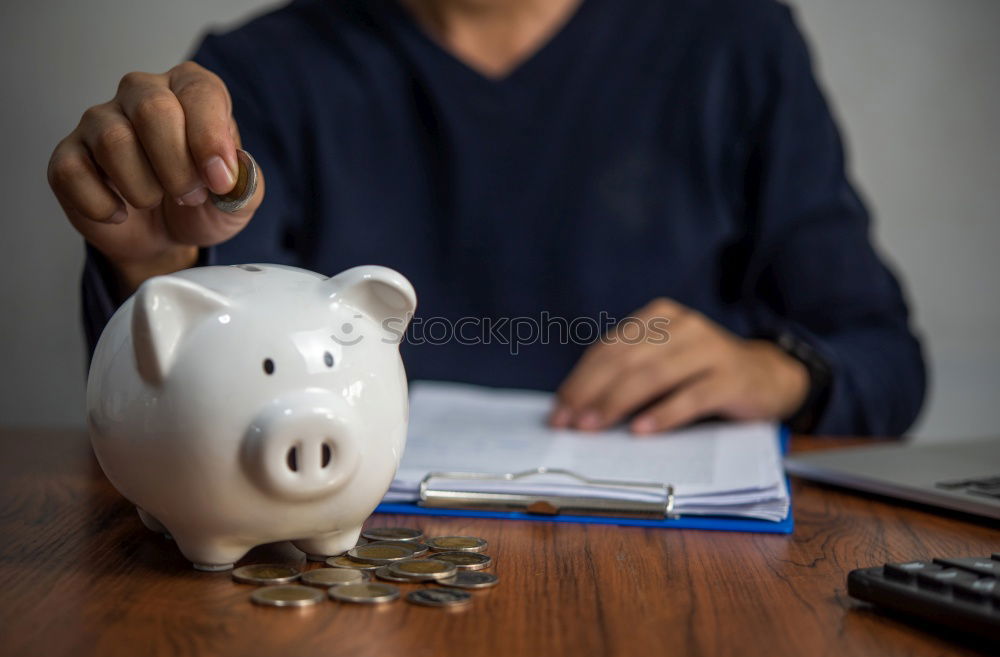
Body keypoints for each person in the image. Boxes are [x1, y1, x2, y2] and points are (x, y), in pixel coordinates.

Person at [48, 0, 926, 436]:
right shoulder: (261, 75)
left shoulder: (736, 41)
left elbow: (884, 358)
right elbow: (183, 417)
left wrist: (780, 372)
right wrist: (156, 275)